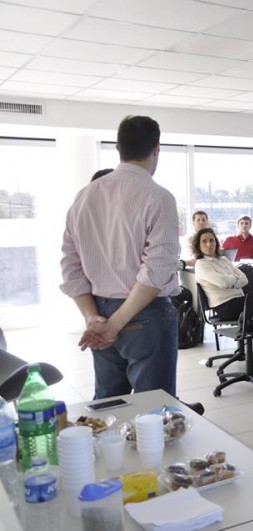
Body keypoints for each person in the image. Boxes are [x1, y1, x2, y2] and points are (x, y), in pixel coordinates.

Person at [60, 115, 181, 399]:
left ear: (118, 147)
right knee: (154, 408)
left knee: (109, 404)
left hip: (99, 310)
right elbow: (157, 270)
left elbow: (70, 266)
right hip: (146, 313)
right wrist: (115, 323)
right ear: (156, 149)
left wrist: (94, 317)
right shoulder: (158, 197)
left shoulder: (85, 196)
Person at [193, 228, 252, 321]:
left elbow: (245, 279)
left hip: (240, 299)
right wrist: (236, 278)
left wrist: (231, 282)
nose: (209, 244)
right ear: (198, 246)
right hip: (224, 305)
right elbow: (223, 282)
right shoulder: (201, 264)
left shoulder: (224, 259)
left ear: (216, 243)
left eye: (211, 240)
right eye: (204, 241)